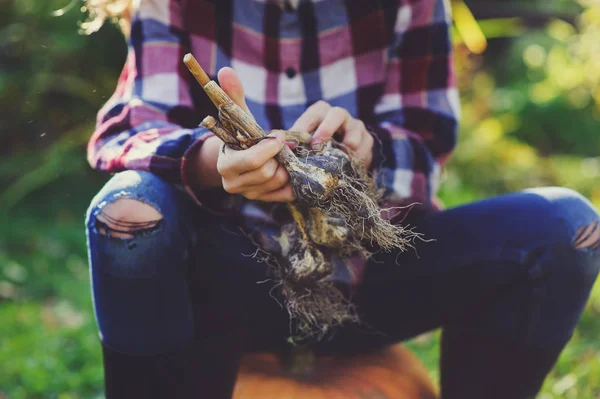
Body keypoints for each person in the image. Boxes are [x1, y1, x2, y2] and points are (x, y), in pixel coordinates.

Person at [85, 0, 600, 398]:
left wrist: (366, 148)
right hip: (227, 279)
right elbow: (132, 129)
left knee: (565, 227)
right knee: (127, 212)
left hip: (369, 281)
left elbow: (426, 142)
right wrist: (215, 162)